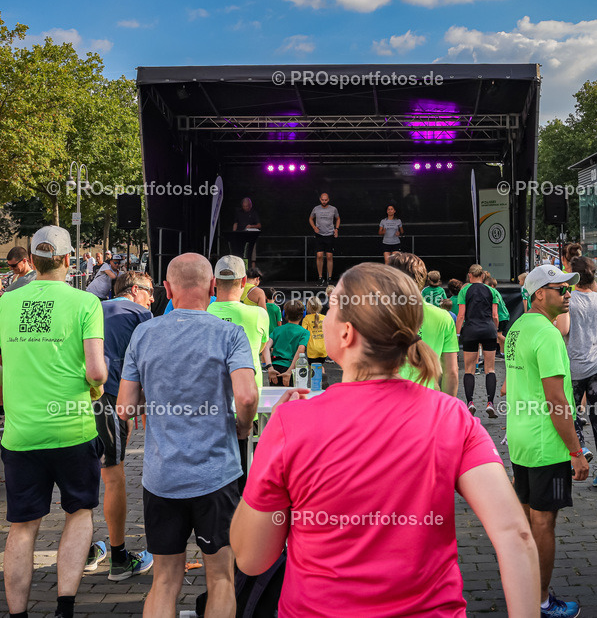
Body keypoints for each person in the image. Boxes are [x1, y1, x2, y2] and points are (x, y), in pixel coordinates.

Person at [230, 262, 540, 617]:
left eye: (332, 308)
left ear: (346, 334)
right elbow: (516, 536)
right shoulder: (452, 417)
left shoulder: (291, 422)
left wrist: (269, 451)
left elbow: (251, 557)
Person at [0, 225, 107, 618]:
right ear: (68, 259)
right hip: (72, 429)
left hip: (21, 434)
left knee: (23, 525)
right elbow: (97, 372)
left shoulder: (4, 303)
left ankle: (18, 614)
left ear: (32, 260)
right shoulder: (86, 303)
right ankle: (65, 607)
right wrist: (94, 387)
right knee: (78, 514)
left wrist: (15, 379)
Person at [116, 253, 258, 618]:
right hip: (217, 475)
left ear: (167, 289)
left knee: (164, 580)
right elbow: (246, 396)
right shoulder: (230, 334)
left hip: (162, 478)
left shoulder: (144, 333)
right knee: (222, 578)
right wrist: (243, 428)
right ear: (212, 287)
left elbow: (124, 408)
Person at [503, 263, 587, 617]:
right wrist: (576, 451)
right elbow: (557, 400)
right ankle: (540, 602)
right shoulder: (548, 334)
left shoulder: (517, 327)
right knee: (543, 524)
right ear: (539, 294)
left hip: (521, 439)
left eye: (569, 289)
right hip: (546, 444)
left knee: (525, 524)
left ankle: (524, 595)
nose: (568, 294)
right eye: (561, 289)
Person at [85, 270, 155, 582]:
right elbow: (149, 365)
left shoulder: (92, 308)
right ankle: (119, 559)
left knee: (83, 472)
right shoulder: (142, 314)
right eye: (150, 291)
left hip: (75, 398)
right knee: (113, 476)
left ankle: (85, 550)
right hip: (108, 397)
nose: (151, 299)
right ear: (136, 290)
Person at [555, 257, 597, 487]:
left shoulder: (568, 299)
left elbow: (563, 329)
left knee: (569, 411)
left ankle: (581, 446)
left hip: (575, 366)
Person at [388, 253, 460, 397]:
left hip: (387, 403)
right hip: (426, 401)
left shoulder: (375, 315)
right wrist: (447, 406)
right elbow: (451, 372)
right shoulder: (444, 317)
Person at [207, 256, 273, 389]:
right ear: (244, 281)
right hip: (249, 392)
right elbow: (260, 348)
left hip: (213, 392)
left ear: (214, 282)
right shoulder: (259, 314)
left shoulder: (203, 313)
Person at [456, 264, 498, 416]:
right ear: (483, 275)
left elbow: (461, 315)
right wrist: (495, 329)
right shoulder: (492, 290)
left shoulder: (464, 291)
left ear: (470, 275)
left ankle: (470, 403)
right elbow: (495, 315)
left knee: (469, 369)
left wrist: (457, 334)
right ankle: (490, 403)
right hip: (488, 329)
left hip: (471, 330)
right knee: (490, 369)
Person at [269, 299, 310, 386]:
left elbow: (266, 347)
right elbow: (301, 350)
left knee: (274, 394)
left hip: (275, 368)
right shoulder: (304, 332)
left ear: (284, 314)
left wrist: (269, 367)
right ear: (303, 314)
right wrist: (289, 371)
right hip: (292, 368)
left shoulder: (277, 330)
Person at [309, 192, 340, 287]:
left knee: (329, 256)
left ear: (328, 199)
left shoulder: (333, 209)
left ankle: (329, 278)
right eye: (322, 200)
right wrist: (314, 227)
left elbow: (338, 218)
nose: (324, 201)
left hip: (329, 234)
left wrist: (336, 229)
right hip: (319, 235)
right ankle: (320, 277)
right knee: (319, 256)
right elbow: (310, 218)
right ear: (320, 199)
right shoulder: (316, 208)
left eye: (326, 200)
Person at [231, 197, 261, 266]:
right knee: (240, 252)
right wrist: (234, 233)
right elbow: (235, 223)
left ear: (250, 206)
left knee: (252, 250)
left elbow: (259, 225)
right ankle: (239, 266)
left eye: (246, 206)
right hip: (240, 235)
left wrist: (251, 226)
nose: (245, 208)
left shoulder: (254, 213)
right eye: (244, 206)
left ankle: (252, 267)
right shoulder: (238, 212)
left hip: (251, 236)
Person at [301, 296, 327, 373]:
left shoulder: (306, 318)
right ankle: (323, 377)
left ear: (308, 307)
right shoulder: (325, 318)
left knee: (312, 368)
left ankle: (318, 380)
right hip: (323, 350)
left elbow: (303, 332)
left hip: (312, 350)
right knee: (320, 366)